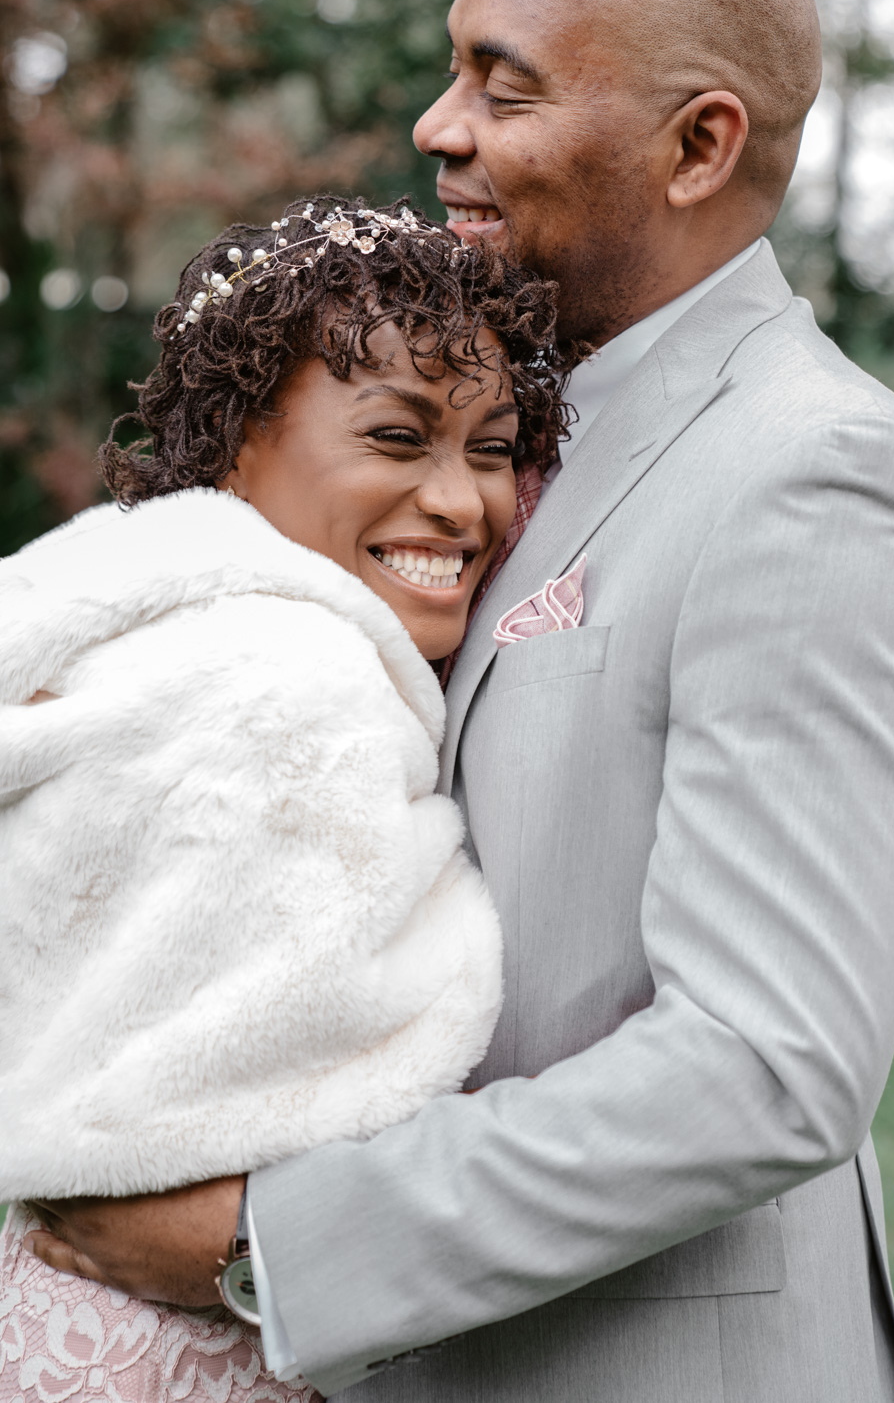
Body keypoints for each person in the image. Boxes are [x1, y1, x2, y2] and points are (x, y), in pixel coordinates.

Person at [23, 0, 894, 1403]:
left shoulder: (810, 472)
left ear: (697, 145)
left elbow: (765, 1061)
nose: (433, 125)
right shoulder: (487, 425)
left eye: (500, 84)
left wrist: (267, 1241)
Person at [0, 197, 570, 1402]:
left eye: (489, 446)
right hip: (171, 1352)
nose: (462, 505)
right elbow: (365, 1010)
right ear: (232, 439)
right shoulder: (295, 687)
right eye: (396, 437)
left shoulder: (121, 622)